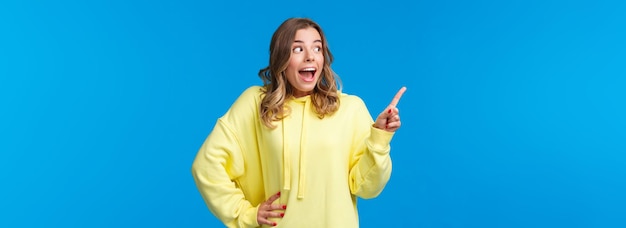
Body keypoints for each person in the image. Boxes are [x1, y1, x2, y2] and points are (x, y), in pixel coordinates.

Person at [191, 17, 406, 228]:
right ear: (282, 58)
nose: (310, 57)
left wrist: (379, 136)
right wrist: (245, 214)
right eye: (297, 49)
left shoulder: (350, 109)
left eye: (317, 48)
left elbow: (368, 188)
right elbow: (206, 166)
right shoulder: (256, 103)